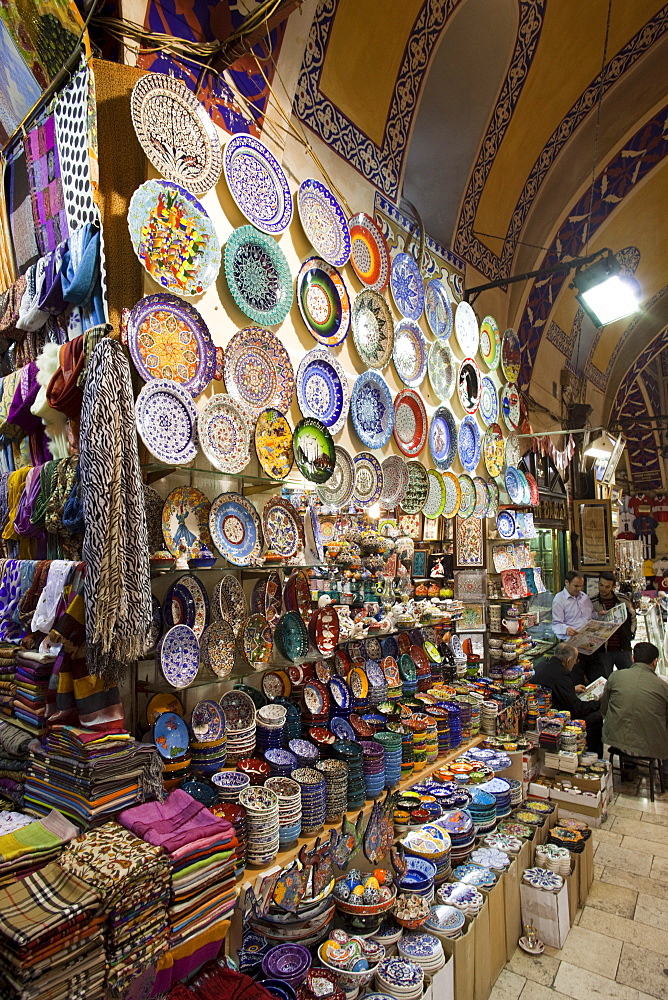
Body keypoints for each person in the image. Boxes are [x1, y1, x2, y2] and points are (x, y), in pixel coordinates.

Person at [601, 642, 668, 772]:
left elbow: (604, 709)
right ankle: (665, 773)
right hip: (650, 746)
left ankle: (629, 768)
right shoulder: (663, 687)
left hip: (615, 740)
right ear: (655, 662)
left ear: (633, 658)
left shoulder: (615, 676)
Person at [531, 642, 603, 754]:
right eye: (576, 661)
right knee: (596, 718)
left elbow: (554, 686)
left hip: (542, 706)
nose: (575, 664)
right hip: (551, 714)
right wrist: (598, 703)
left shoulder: (544, 664)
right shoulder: (562, 674)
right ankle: (593, 755)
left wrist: (572, 689)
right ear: (568, 661)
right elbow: (577, 708)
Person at [551, 571, 602, 684]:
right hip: (573, 646)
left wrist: (598, 615)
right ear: (567, 583)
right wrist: (566, 629)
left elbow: (590, 616)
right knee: (576, 680)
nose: (578, 589)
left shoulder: (584, 597)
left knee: (598, 678)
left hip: (590, 644)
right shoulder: (559, 600)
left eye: (580, 586)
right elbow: (556, 624)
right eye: (575, 586)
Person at [591, 572, 636, 675]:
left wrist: (631, 633)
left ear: (613, 587)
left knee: (628, 676)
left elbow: (632, 616)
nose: (603, 589)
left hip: (623, 647)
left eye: (607, 587)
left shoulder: (622, 599)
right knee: (606, 679)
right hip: (604, 651)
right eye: (601, 585)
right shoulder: (592, 602)